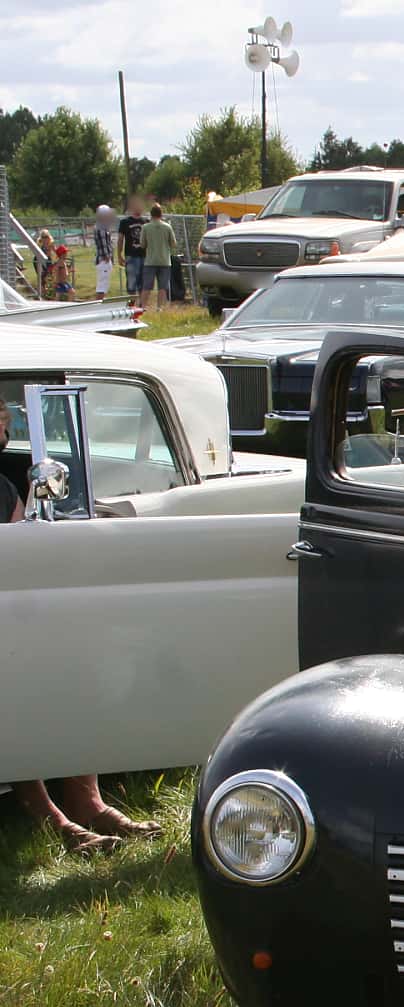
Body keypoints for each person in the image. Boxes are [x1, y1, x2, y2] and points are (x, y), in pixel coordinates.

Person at [0, 401, 161, 853]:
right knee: (15, 685)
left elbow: (22, 559)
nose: (3, 415)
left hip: (12, 614)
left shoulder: (4, 487)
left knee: (75, 664)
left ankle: (87, 800)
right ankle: (47, 815)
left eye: (3, 408)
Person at [140, 205, 176, 307]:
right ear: (161, 214)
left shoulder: (146, 227)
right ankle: (160, 308)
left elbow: (142, 244)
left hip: (150, 261)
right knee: (163, 287)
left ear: (151, 214)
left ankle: (142, 307)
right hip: (164, 261)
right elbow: (173, 244)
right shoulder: (167, 227)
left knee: (146, 286)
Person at [118, 197, 146, 302]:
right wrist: (119, 255)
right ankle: (132, 304)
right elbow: (120, 239)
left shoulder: (146, 221)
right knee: (131, 283)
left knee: (142, 283)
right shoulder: (125, 222)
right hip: (130, 256)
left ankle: (142, 305)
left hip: (144, 256)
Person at [90, 205, 116, 298]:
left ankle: (100, 303)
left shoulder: (103, 227)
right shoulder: (101, 228)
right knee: (102, 286)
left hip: (103, 260)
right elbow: (104, 244)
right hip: (103, 260)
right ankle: (99, 304)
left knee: (104, 285)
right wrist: (107, 257)